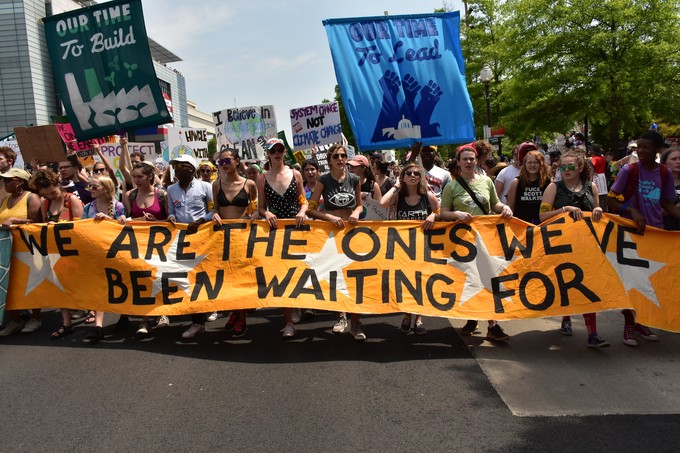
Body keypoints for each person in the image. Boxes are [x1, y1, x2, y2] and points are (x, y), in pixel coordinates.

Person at [607, 131, 680, 347]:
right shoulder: (629, 170)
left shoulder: (664, 174)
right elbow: (611, 200)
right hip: (630, 235)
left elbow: (667, 203)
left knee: (652, 282)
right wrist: (631, 210)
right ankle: (629, 324)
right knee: (632, 281)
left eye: (646, 148)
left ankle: (642, 321)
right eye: (639, 147)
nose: (640, 151)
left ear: (657, 150)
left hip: (655, 233)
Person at [440, 143, 513, 341]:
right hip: (462, 242)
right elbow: (443, 212)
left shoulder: (487, 181)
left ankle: (492, 324)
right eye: (465, 159)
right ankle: (472, 318)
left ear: (476, 160)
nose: (469, 162)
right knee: (470, 280)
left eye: (471, 158)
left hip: (486, 239)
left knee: (489, 278)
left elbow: (494, 203)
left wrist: (504, 209)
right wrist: (455, 214)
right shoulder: (451, 186)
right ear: (458, 162)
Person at [540, 150, 608, 347]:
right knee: (565, 283)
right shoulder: (554, 187)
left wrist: (598, 210)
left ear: (580, 168)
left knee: (588, 286)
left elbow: (598, 213)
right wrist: (565, 210)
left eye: (571, 166)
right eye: (563, 167)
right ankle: (566, 318)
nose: (566, 170)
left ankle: (592, 333)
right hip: (560, 244)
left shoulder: (591, 187)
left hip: (586, 244)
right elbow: (543, 216)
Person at [307, 144, 366, 341]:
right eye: (336, 156)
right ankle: (341, 316)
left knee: (353, 277)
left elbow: (359, 205)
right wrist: (329, 218)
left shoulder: (354, 179)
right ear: (330, 160)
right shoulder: (323, 180)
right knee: (336, 276)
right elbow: (311, 209)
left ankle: (356, 321)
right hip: (331, 235)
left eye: (343, 155)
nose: (341, 159)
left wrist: (357, 213)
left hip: (351, 233)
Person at [379, 162, 440, 335]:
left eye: (416, 173)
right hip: (402, 248)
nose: (413, 176)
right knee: (406, 284)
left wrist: (432, 216)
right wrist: (396, 186)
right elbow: (383, 203)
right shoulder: (398, 196)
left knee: (421, 283)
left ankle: (419, 318)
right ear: (403, 177)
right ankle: (407, 315)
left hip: (423, 247)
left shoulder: (428, 196)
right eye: (409, 173)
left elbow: (439, 211)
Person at [257, 138, 308, 339]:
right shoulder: (262, 178)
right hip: (276, 232)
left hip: (297, 230)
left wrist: (303, 211)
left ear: (284, 152)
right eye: (273, 150)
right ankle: (288, 321)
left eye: (280, 149)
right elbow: (261, 206)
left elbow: (303, 201)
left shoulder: (296, 174)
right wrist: (266, 213)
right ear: (268, 154)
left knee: (299, 272)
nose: (277, 153)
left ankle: (299, 304)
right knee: (281, 276)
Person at [29, 169, 85, 339]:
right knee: (60, 286)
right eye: (46, 194)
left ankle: (89, 310)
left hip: (75, 252)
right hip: (56, 253)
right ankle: (66, 323)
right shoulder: (45, 203)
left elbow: (83, 227)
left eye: (52, 192)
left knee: (82, 284)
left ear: (57, 185)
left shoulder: (71, 200)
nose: (50, 196)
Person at [165, 154, 215, 339]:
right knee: (187, 278)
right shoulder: (171, 190)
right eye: (176, 166)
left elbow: (214, 209)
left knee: (202, 276)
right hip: (181, 240)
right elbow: (171, 211)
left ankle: (201, 318)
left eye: (182, 166)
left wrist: (202, 220)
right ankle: (198, 319)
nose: (178, 169)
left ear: (193, 169)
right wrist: (171, 217)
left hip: (202, 238)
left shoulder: (206, 187)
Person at [119, 162, 169, 333]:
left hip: (160, 245)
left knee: (159, 279)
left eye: (140, 176)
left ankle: (163, 313)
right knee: (141, 280)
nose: (136, 180)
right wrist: (123, 219)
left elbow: (171, 222)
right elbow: (127, 216)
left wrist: (156, 222)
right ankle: (144, 320)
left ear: (150, 177)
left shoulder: (162, 195)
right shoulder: (129, 195)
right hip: (137, 245)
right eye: (134, 176)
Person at [212, 148, 257, 338]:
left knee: (242, 280)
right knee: (227, 280)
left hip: (243, 238)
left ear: (237, 161)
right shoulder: (216, 185)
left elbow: (256, 209)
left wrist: (252, 216)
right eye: (220, 162)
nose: (224, 165)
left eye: (227, 160)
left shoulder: (249, 184)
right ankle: (234, 312)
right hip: (223, 239)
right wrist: (214, 214)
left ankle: (242, 319)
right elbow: (215, 208)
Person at [81, 175, 126, 342]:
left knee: (119, 284)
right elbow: (82, 228)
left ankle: (125, 314)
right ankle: (98, 326)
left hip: (115, 253)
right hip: (96, 253)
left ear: (105, 189)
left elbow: (124, 230)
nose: (90, 190)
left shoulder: (118, 206)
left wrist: (108, 220)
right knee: (100, 286)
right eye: (89, 187)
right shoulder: (87, 207)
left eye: (94, 187)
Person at [0, 168, 43, 336]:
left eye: (8, 180)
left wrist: (15, 220)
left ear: (20, 182)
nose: (5, 183)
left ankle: (36, 318)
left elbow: (37, 222)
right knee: (9, 284)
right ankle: (16, 320)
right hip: (7, 249)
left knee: (31, 282)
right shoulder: (5, 199)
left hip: (28, 248)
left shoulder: (31, 198)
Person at [506, 148, 551, 224]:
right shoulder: (516, 182)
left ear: (541, 164)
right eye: (529, 162)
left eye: (536, 162)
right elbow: (511, 208)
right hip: (521, 225)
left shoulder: (548, 182)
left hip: (542, 226)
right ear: (525, 164)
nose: (532, 165)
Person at [660, 146, 680, 230]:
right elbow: (656, 212)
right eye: (674, 159)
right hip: (662, 231)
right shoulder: (657, 183)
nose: (678, 162)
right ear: (664, 163)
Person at [590, 144, 608, 210]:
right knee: (603, 196)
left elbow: (591, 165)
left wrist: (592, 172)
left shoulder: (595, 158)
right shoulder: (603, 158)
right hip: (603, 178)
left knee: (596, 195)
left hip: (596, 178)